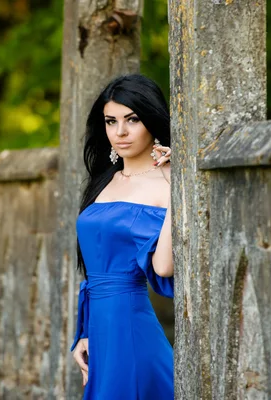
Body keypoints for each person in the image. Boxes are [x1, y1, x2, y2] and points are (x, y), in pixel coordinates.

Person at [70, 74, 174, 399]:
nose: (120, 132)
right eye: (111, 121)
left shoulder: (169, 182)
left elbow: (164, 268)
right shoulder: (106, 180)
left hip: (130, 331)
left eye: (132, 119)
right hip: (99, 334)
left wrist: (180, 187)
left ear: (152, 121)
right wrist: (84, 332)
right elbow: (94, 266)